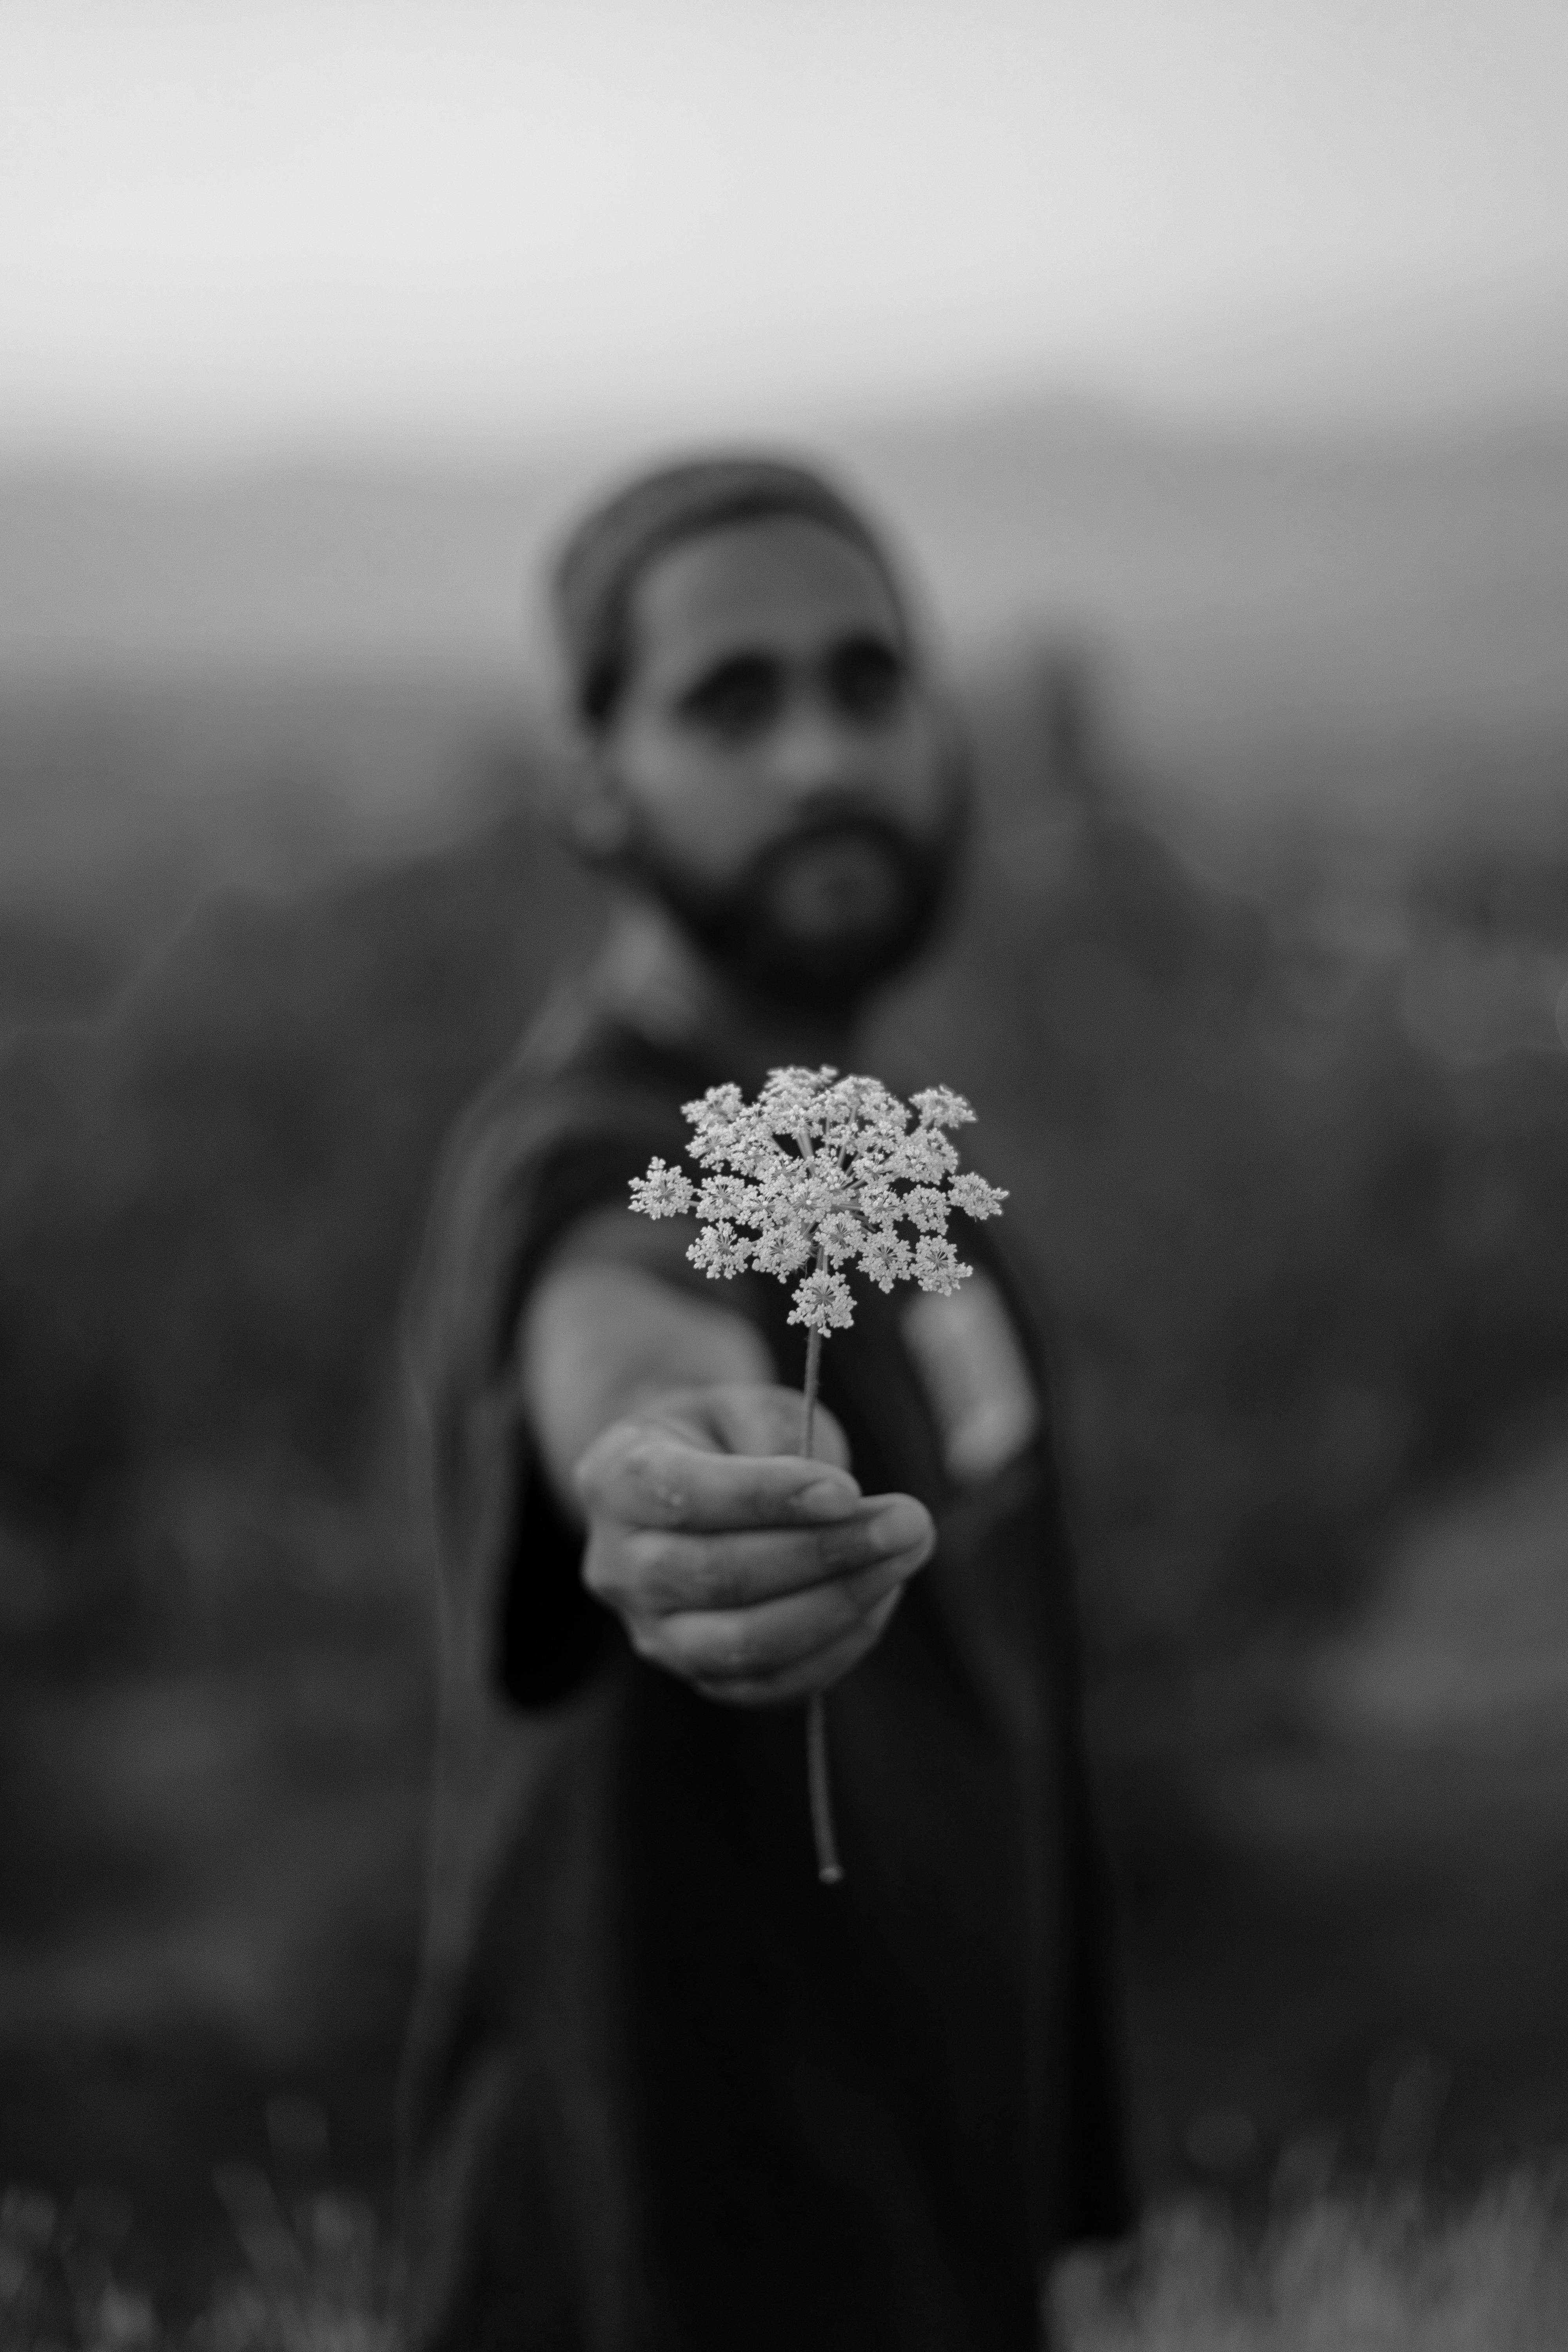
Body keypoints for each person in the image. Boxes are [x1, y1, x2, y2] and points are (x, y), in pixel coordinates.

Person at [399, 456, 1134, 2352]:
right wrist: (664, 1473)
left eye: (865, 681)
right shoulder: (581, 1162)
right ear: (593, 776)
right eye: (729, 702)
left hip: (939, 2253)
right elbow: (621, 1321)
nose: (817, 754)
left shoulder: (899, 1171)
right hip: (662, 2271)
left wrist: (1069, 2207)